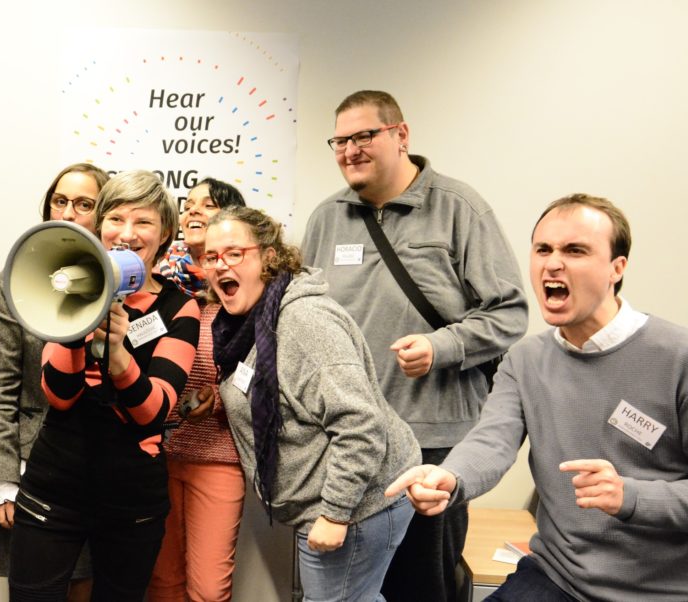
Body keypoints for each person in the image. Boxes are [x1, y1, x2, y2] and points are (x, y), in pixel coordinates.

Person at [387, 194, 688, 602]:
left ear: (617, 268)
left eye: (575, 250)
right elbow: (491, 441)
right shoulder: (525, 359)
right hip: (557, 578)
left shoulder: (676, 357)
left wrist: (631, 496)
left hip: (658, 591)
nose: (552, 263)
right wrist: (450, 476)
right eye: (543, 249)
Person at [301, 89, 528, 602]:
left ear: (401, 135)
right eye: (339, 140)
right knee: (344, 590)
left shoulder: (458, 207)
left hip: (431, 445)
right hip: (347, 445)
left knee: (420, 588)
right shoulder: (325, 218)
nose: (350, 150)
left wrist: (441, 346)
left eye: (364, 136)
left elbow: (510, 312)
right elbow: (302, 318)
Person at [203, 206, 421, 602]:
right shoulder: (247, 322)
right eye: (211, 257)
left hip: (357, 507)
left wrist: (335, 513)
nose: (220, 266)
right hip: (326, 507)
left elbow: (359, 424)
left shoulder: (304, 321)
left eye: (234, 253)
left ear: (270, 257)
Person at [8, 170, 200, 602]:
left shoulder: (179, 308)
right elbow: (59, 394)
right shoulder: (71, 283)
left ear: (165, 231)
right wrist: (77, 322)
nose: (127, 234)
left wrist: (118, 357)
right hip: (55, 486)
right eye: (115, 218)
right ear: (99, 226)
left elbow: (153, 411)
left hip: (132, 498)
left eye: (143, 222)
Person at [0, 163, 109, 601]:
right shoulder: (18, 277)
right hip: (31, 467)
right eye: (60, 200)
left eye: (84, 204)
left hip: (101, 469)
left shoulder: (122, 280)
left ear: (104, 213)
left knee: (89, 588)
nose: (69, 212)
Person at [148, 178, 247, 602]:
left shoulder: (239, 295)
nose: (193, 212)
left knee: (207, 590)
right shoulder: (155, 287)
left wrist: (221, 399)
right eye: (187, 204)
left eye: (208, 205)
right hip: (157, 455)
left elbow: (264, 376)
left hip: (217, 459)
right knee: (162, 584)